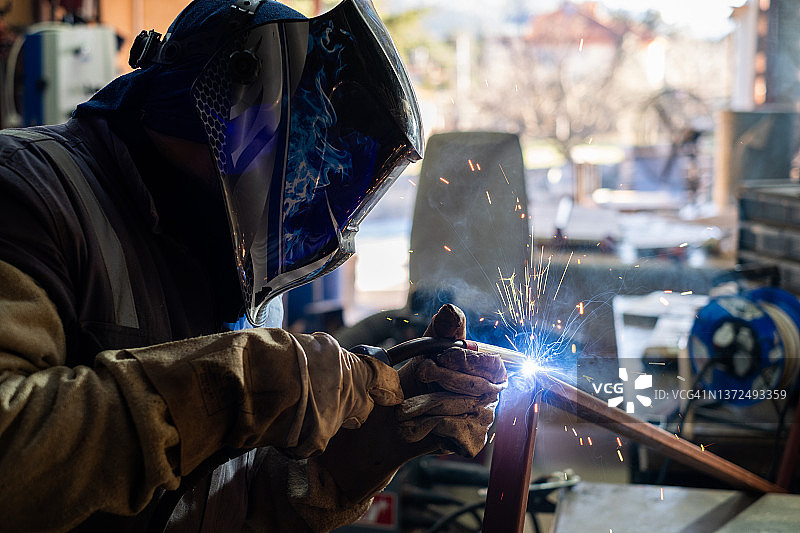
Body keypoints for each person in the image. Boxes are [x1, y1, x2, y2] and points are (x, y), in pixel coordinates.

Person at [0, 0, 507, 531]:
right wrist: (241, 384)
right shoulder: (29, 192)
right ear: (233, 98)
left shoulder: (244, 266)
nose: (312, 183)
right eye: (308, 146)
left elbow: (233, 498)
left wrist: (373, 445)